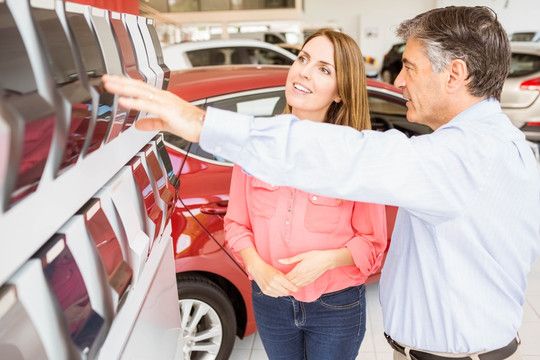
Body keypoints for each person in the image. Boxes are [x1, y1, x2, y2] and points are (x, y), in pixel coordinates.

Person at [103, 6, 540, 359]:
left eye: (409, 67)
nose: (399, 80)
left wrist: (202, 123)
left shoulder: (461, 160)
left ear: (455, 73)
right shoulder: (503, 146)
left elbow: (353, 157)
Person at [224, 29, 387, 360]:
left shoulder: (357, 157)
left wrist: (327, 260)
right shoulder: (255, 145)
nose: (304, 72)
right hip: (270, 302)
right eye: (303, 59)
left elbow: (373, 245)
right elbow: (235, 225)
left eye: (324, 69)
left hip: (335, 305)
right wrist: (258, 267)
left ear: (341, 92)